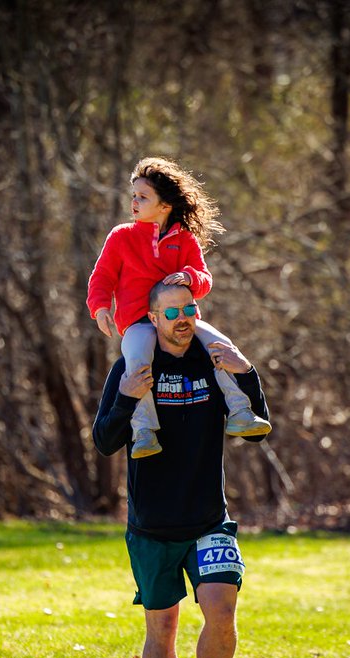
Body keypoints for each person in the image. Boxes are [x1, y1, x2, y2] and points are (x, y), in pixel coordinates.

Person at [92, 279, 270, 658]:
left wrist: (247, 373)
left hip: (209, 519)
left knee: (222, 612)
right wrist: (128, 397)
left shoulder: (212, 363)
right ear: (152, 319)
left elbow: (256, 430)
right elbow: (104, 441)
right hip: (152, 525)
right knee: (162, 630)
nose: (183, 318)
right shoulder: (132, 367)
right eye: (171, 312)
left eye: (190, 308)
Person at [86, 156, 271, 458]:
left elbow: (204, 279)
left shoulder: (184, 240)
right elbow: (102, 277)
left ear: (165, 204)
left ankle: (240, 412)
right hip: (138, 323)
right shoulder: (121, 237)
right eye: (133, 195)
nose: (134, 202)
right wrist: (101, 308)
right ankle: (144, 428)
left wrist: (189, 276)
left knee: (222, 347)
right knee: (137, 361)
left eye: (143, 197)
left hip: (182, 320)